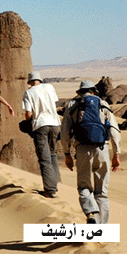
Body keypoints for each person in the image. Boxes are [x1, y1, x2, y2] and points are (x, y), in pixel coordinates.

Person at [61, 80, 121, 224]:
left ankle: (91, 212)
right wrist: (116, 154)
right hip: (102, 149)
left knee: (84, 187)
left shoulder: (72, 105)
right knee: (102, 192)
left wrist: (67, 154)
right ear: (93, 91)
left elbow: (65, 132)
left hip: (82, 149)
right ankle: (102, 228)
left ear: (80, 92)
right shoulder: (103, 104)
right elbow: (114, 131)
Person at [22, 71, 61, 198]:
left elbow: (28, 114)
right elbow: (54, 102)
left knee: (44, 158)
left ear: (30, 82)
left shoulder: (28, 93)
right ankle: (55, 183)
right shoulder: (49, 87)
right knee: (53, 154)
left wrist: (28, 122)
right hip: (55, 124)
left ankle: (49, 190)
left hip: (41, 125)